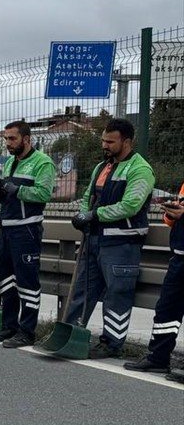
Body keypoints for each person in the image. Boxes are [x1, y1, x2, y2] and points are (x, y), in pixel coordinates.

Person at [65, 118, 156, 359]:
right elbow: (89, 196)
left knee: (118, 294)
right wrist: (83, 215)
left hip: (122, 244)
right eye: (103, 140)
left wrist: (94, 215)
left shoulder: (140, 169)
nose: (105, 145)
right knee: (82, 291)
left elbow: (130, 205)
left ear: (127, 141)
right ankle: (72, 335)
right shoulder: (101, 167)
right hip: (94, 240)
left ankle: (111, 343)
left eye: (110, 141)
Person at [0, 120, 56, 348]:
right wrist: (1, 194)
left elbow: (44, 193)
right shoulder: (10, 163)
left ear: (26, 139)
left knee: (27, 283)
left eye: (12, 138)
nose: (8, 143)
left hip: (26, 230)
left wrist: (17, 190)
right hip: (6, 229)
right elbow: (11, 193)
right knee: (6, 281)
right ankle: (9, 327)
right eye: (5, 138)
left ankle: (27, 331)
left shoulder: (43, 163)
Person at [123, 182, 184, 382]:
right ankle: (158, 358)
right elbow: (173, 221)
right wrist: (172, 213)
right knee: (167, 310)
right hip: (179, 257)